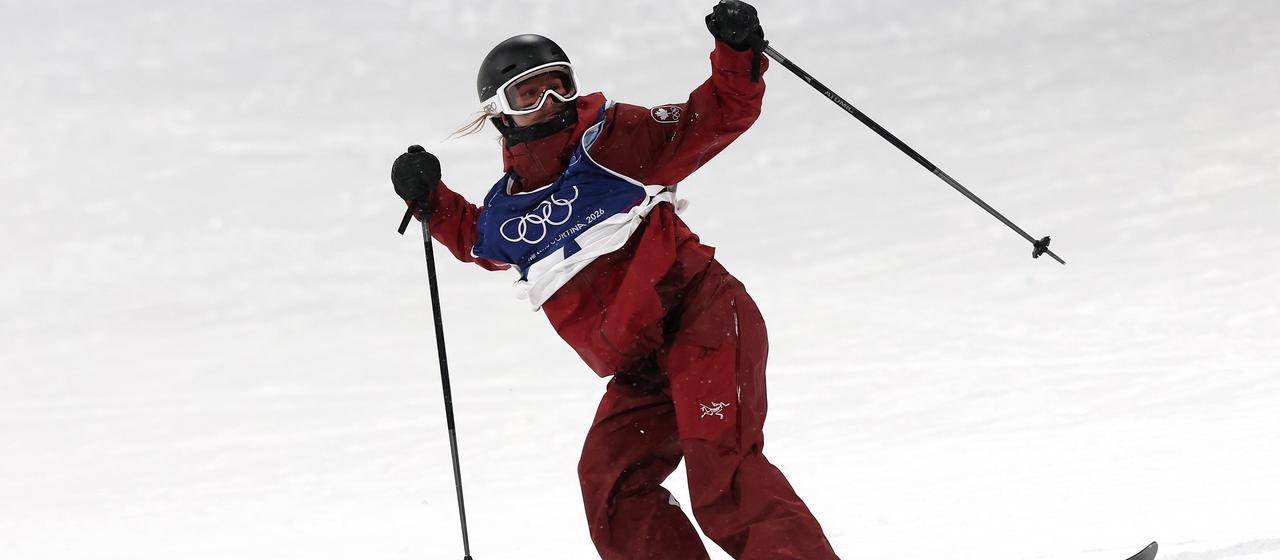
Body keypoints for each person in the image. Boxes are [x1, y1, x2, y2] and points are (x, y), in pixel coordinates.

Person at [391, 2, 839, 558]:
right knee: (612, 481)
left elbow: (718, 114)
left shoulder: (615, 143)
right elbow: (474, 240)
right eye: (527, 95)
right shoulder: (509, 216)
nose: (549, 102)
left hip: (702, 323)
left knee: (723, 479)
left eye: (558, 86)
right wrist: (430, 200)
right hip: (641, 368)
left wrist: (737, 51)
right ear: (499, 114)